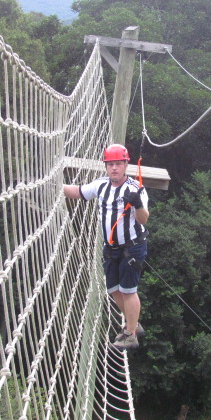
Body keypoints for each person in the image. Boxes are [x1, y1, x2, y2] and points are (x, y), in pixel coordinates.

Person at [64, 144, 149, 350]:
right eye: (110, 164)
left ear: (126, 164)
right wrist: (54, 185)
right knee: (114, 290)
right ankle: (134, 324)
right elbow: (78, 192)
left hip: (132, 246)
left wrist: (137, 204)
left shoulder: (135, 189)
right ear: (106, 166)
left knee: (128, 290)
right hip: (111, 248)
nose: (114, 168)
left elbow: (144, 219)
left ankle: (130, 334)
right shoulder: (101, 185)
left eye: (118, 164)